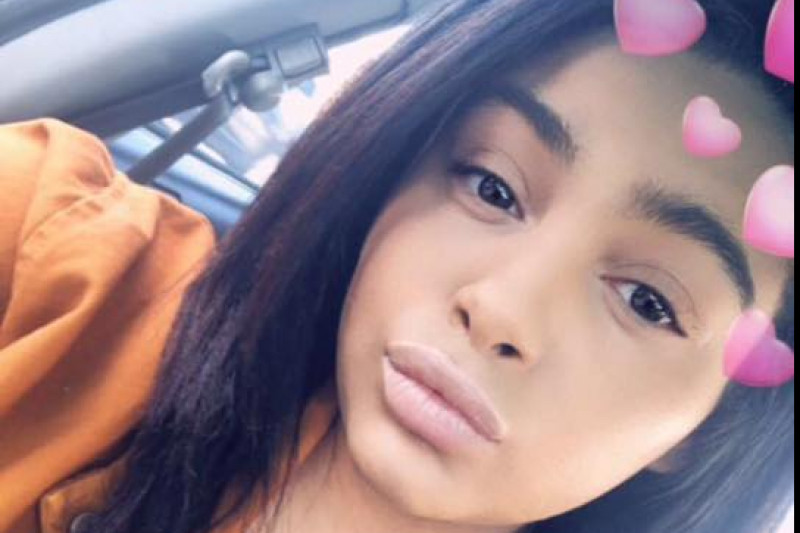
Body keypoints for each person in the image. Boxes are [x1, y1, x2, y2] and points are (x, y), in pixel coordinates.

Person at [0, 0, 794, 532]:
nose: (501, 307)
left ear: (709, 426)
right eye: (491, 186)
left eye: (648, 300)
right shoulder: (68, 259)